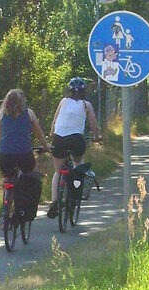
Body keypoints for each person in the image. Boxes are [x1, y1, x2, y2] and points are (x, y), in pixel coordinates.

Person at [47, 77, 102, 218]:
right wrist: (97, 137)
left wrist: (52, 134)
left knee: (58, 172)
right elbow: (94, 125)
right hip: (76, 140)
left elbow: (54, 121)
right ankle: (76, 192)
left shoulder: (63, 102)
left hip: (59, 139)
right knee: (78, 167)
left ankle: (54, 202)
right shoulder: (86, 105)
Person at [0, 89, 51, 183]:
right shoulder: (29, 113)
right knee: (29, 175)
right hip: (24, 154)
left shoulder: (2, 113)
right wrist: (46, 147)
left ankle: (7, 192)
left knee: (7, 176)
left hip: (5, 155)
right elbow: (39, 135)